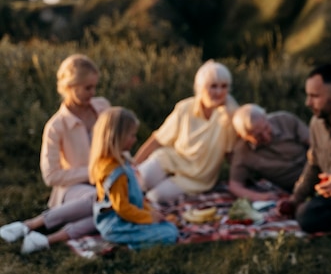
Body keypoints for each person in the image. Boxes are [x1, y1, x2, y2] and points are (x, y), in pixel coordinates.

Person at [0, 54, 111, 254]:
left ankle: (42, 239)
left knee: (111, 208)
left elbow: (117, 145)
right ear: (70, 86)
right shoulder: (55, 126)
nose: (93, 93)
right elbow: (51, 176)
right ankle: (31, 225)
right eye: (87, 88)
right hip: (72, 189)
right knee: (103, 201)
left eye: (95, 87)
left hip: (106, 181)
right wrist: (93, 172)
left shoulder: (103, 107)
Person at [133, 59, 238, 204]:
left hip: (196, 178)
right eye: (213, 86)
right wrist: (133, 165)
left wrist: (239, 184)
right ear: (201, 88)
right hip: (171, 160)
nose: (219, 92)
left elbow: (231, 154)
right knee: (135, 181)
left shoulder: (230, 115)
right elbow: (157, 140)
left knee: (155, 198)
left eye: (224, 86)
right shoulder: (185, 108)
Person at [277, 64, 331, 235]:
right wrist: (295, 199)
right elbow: (313, 164)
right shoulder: (316, 123)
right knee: (306, 214)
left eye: (314, 96)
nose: (308, 103)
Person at [89, 107, 178, 250]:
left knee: (168, 226)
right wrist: (149, 218)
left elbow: (134, 199)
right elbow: (123, 209)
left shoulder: (121, 161)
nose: (135, 139)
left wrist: (151, 212)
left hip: (130, 217)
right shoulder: (115, 172)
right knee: (169, 234)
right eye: (131, 135)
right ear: (117, 137)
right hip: (118, 225)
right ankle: (124, 247)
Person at [229, 103, 309, 201]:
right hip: (293, 188)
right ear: (243, 136)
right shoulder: (242, 151)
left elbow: (316, 145)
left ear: (265, 118)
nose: (266, 136)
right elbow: (235, 186)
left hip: (314, 172)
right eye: (258, 136)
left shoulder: (285, 120)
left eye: (266, 128)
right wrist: (261, 197)